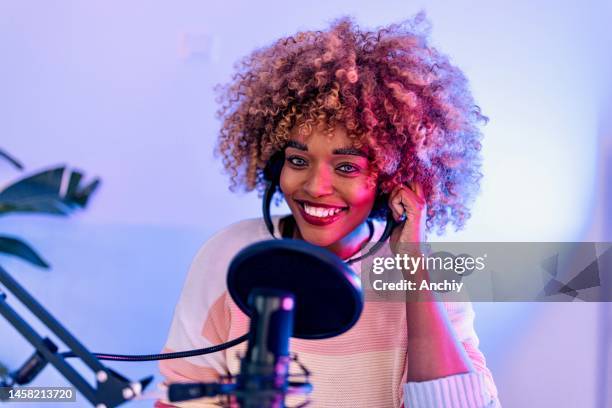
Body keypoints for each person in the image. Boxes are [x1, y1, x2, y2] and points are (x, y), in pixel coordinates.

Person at [157, 14, 500, 407]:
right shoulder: (229, 254)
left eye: (347, 167)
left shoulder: (424, 273)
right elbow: (178, 398)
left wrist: (414, 269)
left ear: (393, 179)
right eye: (298, 161)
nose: (316, 187)